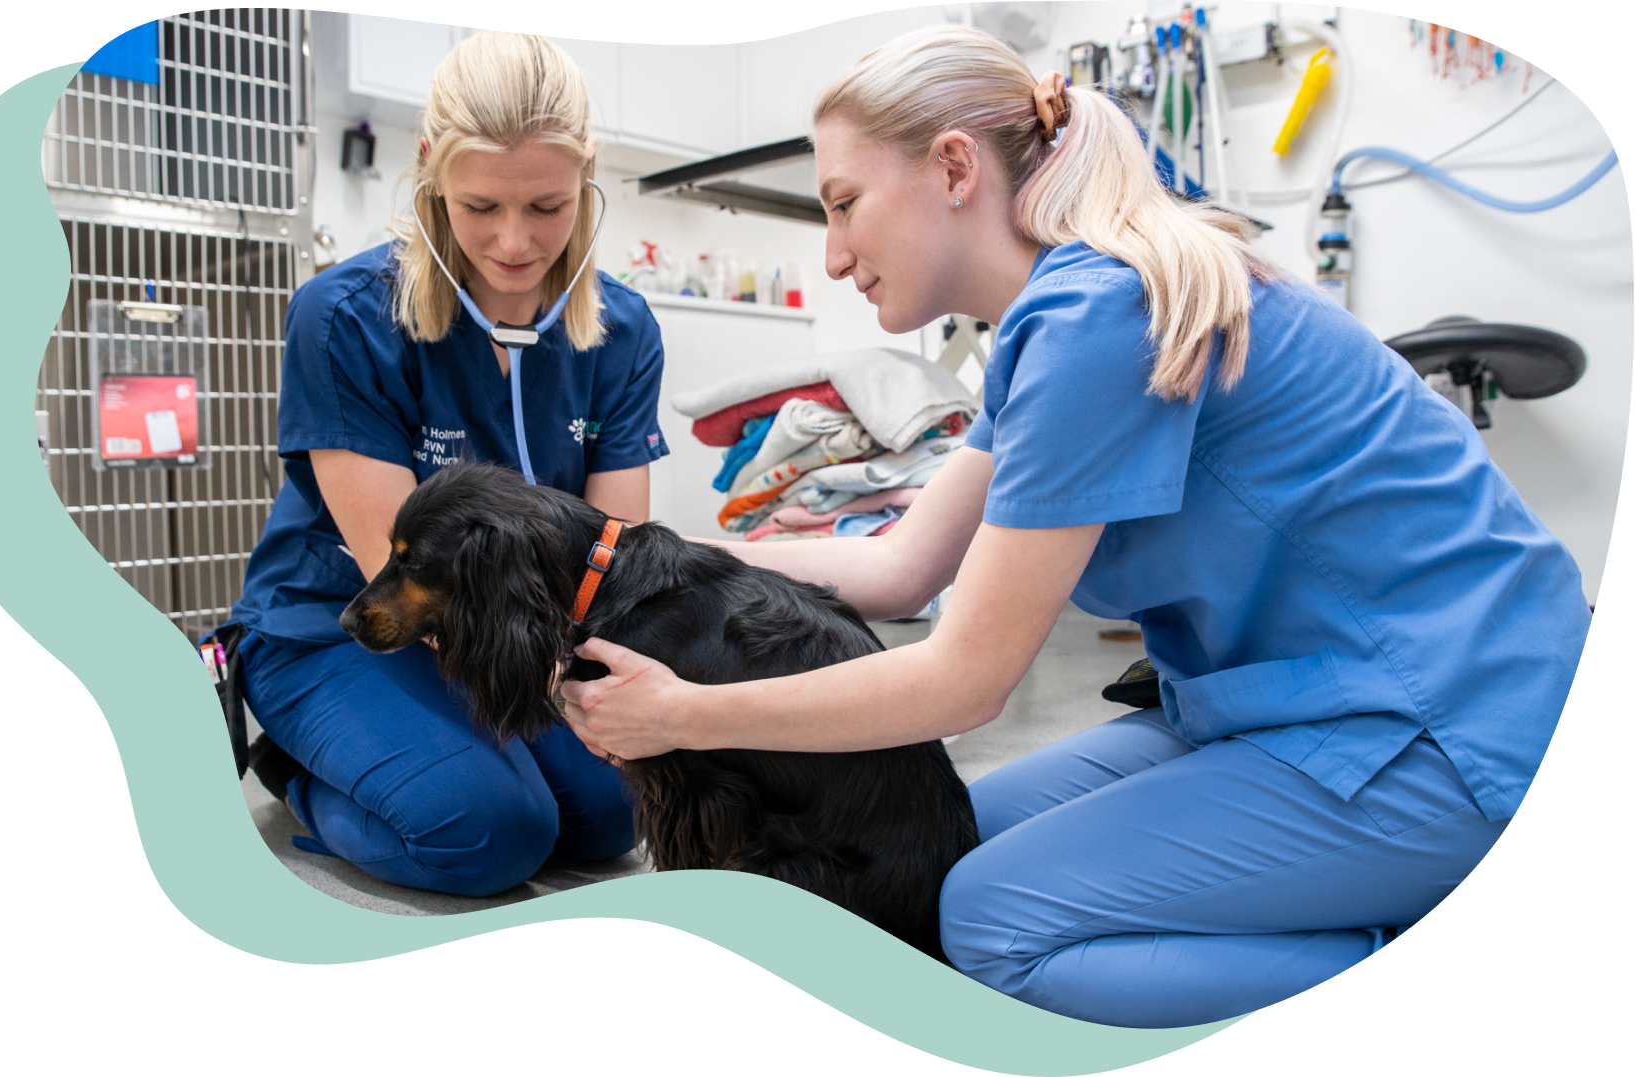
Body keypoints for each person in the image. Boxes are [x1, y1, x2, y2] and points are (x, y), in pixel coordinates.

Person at [558, 26, 1592, 1027]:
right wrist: (631, 552)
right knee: (939, 862)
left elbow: (964, 681)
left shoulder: (1100, 315)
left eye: (843, 205)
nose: (832, 255)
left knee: (994, 924)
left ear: (953, 167)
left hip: (1455, 737)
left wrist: (684, 716)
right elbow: (902, 569)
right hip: (1295, 715)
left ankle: (1459, 969)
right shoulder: (1049, 326)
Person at [211, 31, 668, 897]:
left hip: (522, 635)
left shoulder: (624, 330)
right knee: (492, 830)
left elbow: (616, 553)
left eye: (547, 206)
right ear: (429, 170)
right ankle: (300, 773)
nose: (512, 242)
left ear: (587, 178)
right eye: (479, 205)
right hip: (352, 625)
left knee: (619, 813)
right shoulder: (343, 317)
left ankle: (426, 766)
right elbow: (398, 574)